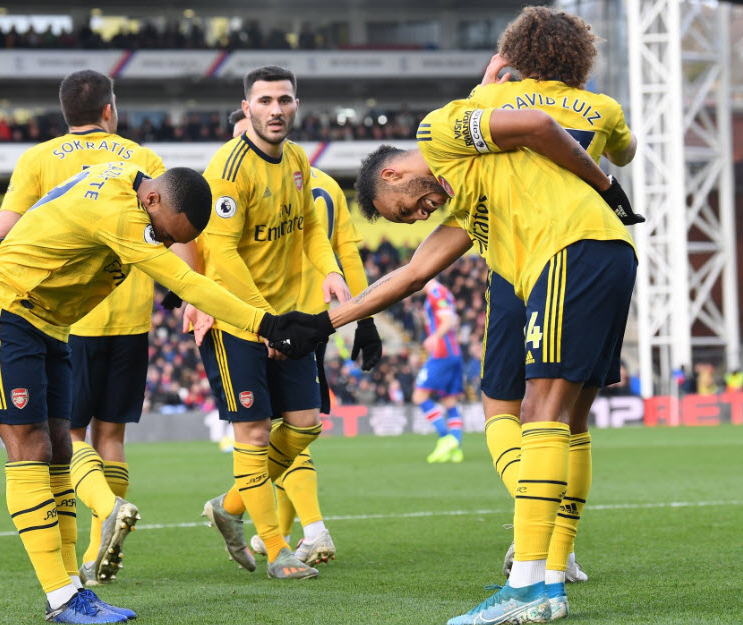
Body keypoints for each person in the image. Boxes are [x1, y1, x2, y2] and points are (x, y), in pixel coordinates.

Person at [266, 97, 638, 624]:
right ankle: (548, 575)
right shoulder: (471, 187)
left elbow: (532, 120)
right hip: (600, 254)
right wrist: (326, 323)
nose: (421, 215)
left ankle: (530, 588)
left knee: (543, 414)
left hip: (570, 249)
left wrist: (606, 185)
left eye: (406, 208)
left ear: (392, 172)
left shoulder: (434, 131)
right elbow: (414, 273)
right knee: (555, 416)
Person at [0, 159, 309, 622]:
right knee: (31, 446)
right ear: (152, 201)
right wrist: (267, 324)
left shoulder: (130, 182)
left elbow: (47, 208)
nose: (161, 243)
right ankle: (62, 598)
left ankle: (71, 588)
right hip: (1, 308)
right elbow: (185, 282)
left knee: (61, 449)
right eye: (163, 234)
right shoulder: (122, 212)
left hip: (50, 321)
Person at [0, 68, 188, 589]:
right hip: (129, 315)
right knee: (111, 436)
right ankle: (94, 542)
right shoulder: (142, 160)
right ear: (110, 109)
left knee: (66, 436)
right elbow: (178, 228)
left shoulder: (37, 158)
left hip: (61, 313)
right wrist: (188, 295)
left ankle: (102, 513)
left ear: (66, 113)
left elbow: (2, 233)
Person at [471, 7, 638, 601]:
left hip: (527, 258)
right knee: (572, 416)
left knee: (508, 411)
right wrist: (589, 107)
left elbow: (478, 120)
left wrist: (491, 82)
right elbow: (626, 152)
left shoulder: (493, 103)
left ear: (514, 54)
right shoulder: (604, 109)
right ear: (581, 59)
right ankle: (556, 553)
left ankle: (534, 556)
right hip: (595, 252)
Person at [189, 66, 352, 581]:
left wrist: (329, 271)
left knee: (305, 425)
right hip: (237, 322)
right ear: (248, 107)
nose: (275, 109)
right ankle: (278, 549)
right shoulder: (229, 167)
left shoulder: (299, 160)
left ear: (296, 104)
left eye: (284, 99)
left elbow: (308, 227)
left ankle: (231, 505)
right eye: (265, 101)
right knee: (255, 434)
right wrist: (266, 321)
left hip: (287, 317)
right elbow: (220, 252)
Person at [224, 108, 382, 565]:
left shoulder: (283, 185)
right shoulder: (327, 185)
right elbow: (346, 253)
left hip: (271, 321)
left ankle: (299, 527)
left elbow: (338, 252)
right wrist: (362, 318)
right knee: (292, 429)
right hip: (313, 323)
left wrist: (363, 320)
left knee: (284, 429)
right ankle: (285, 530)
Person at [413, 277, 465, 464]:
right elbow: (455, 320)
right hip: (454, 352)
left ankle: (445, 439)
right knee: (450, 402)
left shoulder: (436, 293)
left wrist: (434, 337)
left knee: (419, 396)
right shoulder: (445, 293)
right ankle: (455, 449)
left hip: (442, 353)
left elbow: (449, 320)